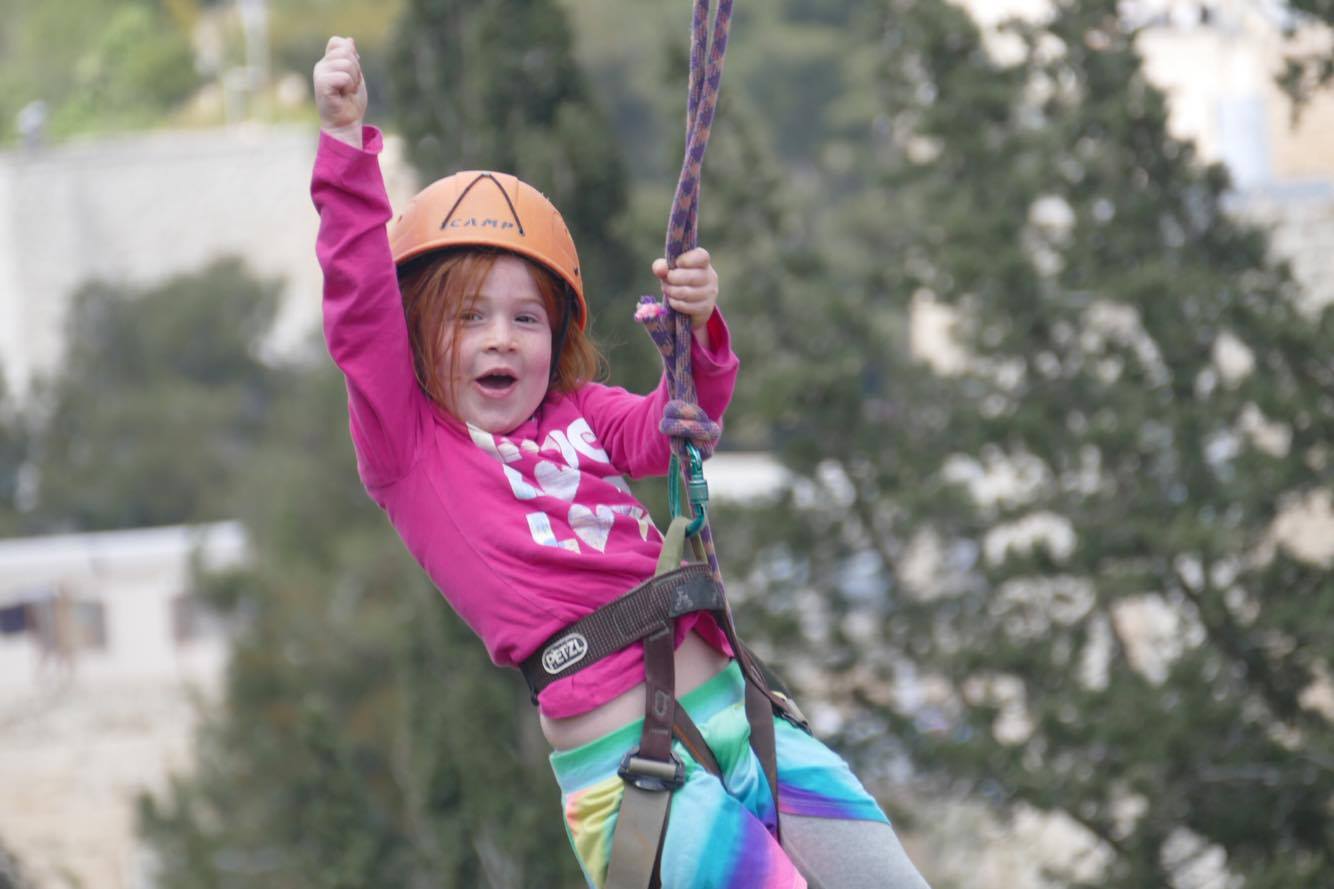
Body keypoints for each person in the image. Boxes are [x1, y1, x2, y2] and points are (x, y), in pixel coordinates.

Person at [312, 34, 932, 889]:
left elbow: (673, 428)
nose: (501, 337)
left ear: (556, 336)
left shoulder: (580, 415)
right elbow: (358, 311)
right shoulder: (414, 452)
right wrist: (346, 142)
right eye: (469, 318)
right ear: (419, 339)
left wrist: (699, 334)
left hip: (742, 717)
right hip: (637, 776)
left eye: (526, 318)